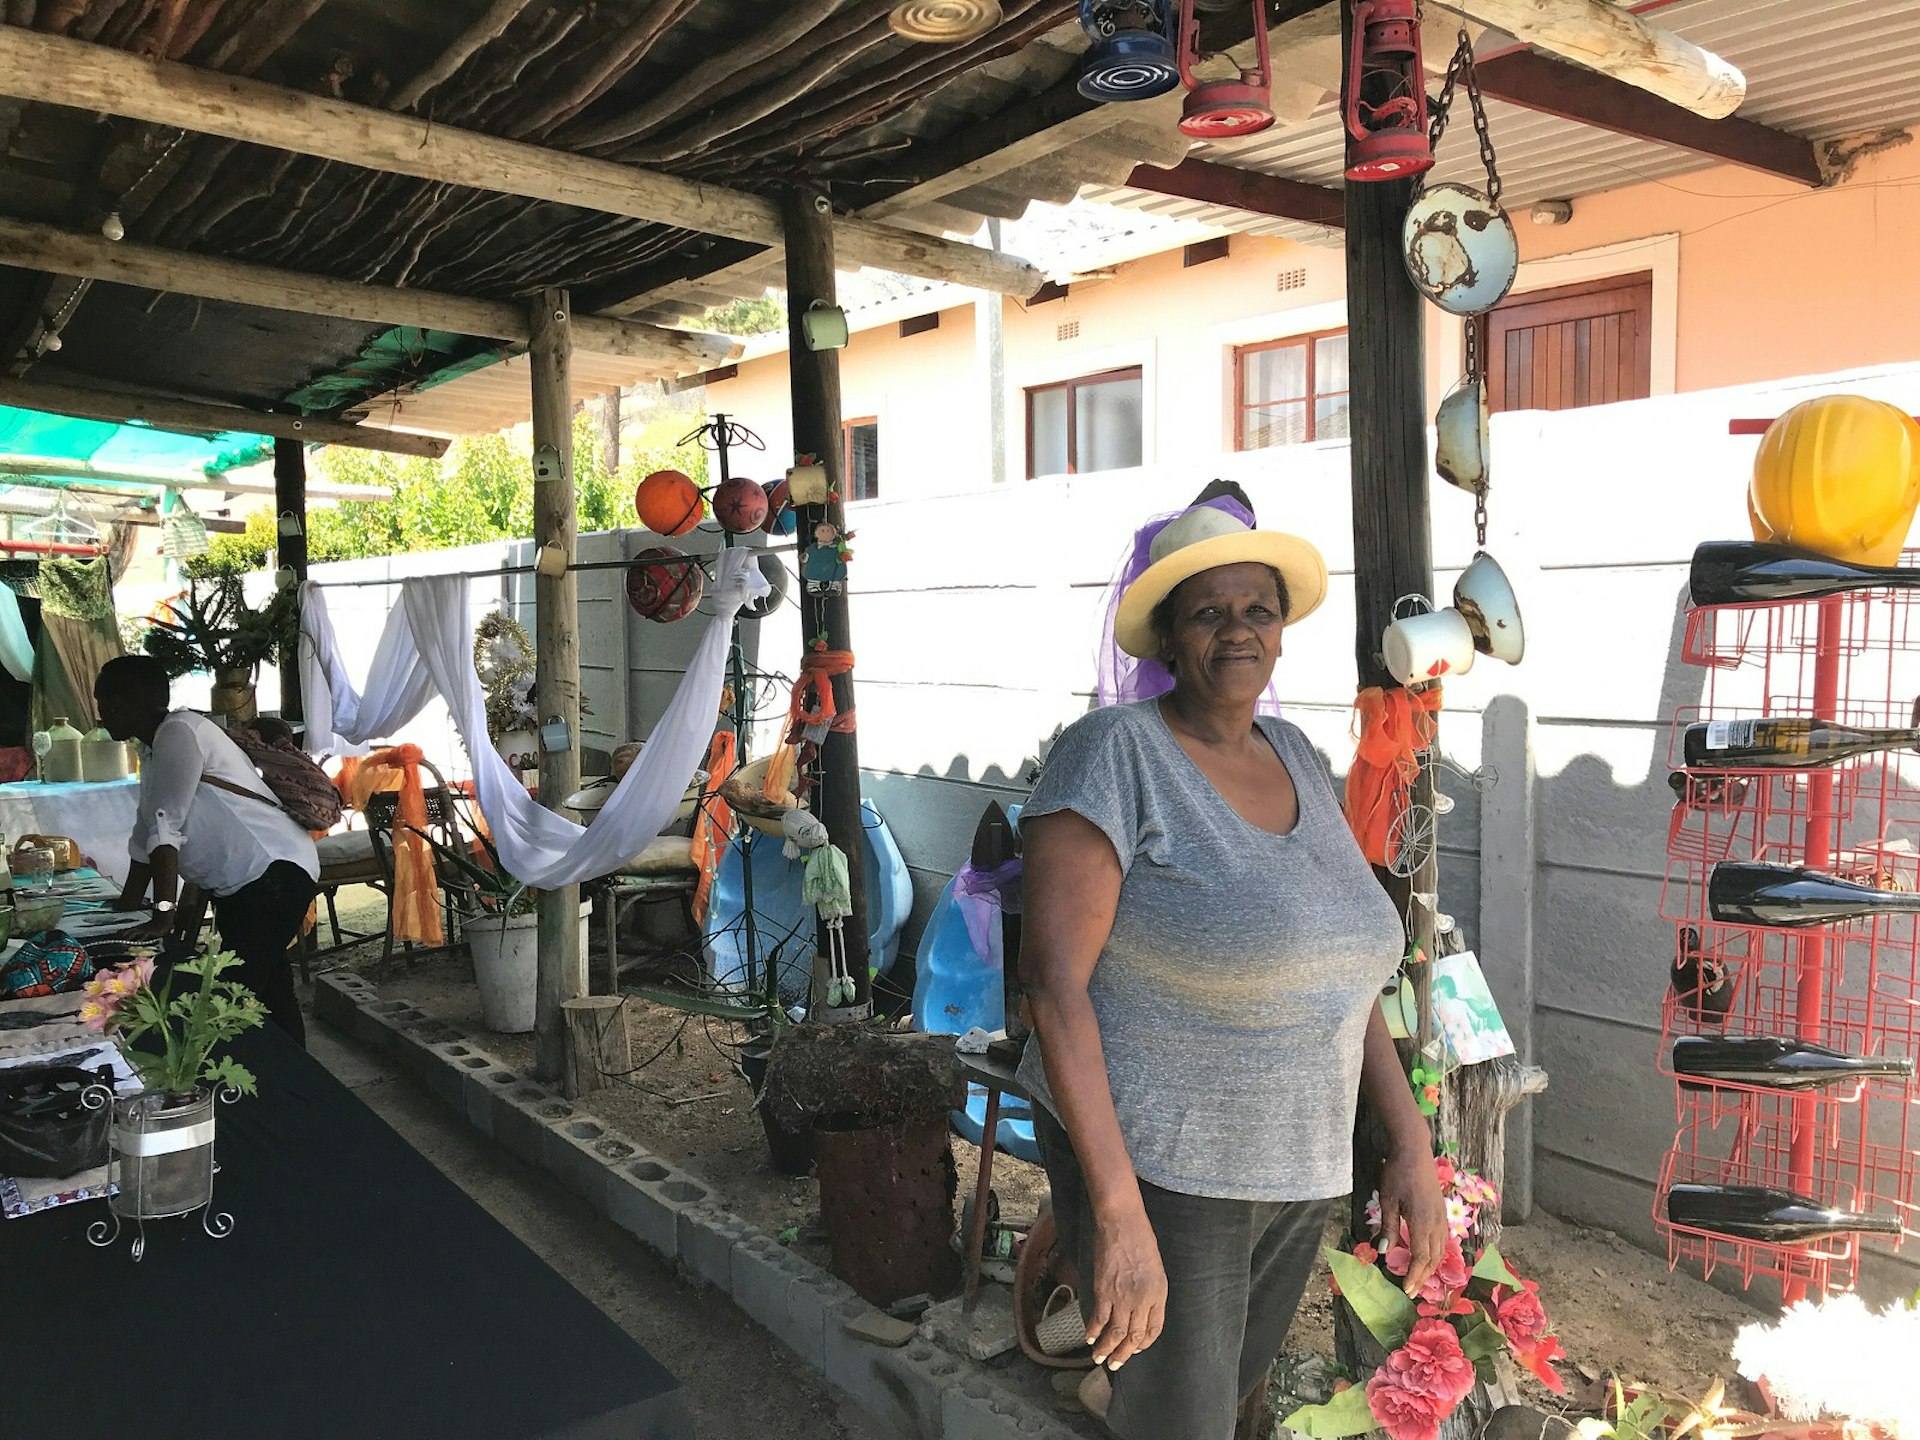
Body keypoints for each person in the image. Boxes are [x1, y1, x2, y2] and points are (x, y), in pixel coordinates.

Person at [1017, 500, 1449, 1440]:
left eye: (1257, 609)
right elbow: (1051, 990)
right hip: (1165, 1170)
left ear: (1283, 632)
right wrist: (1117, 1214)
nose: (1237, 631)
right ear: (1169, 635)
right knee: (1183, 1422)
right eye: (1208, 612)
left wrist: (1410, 1143)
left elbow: (1347, 971)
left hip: (1295, 1162)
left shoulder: (1293, 752)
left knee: (1222, 1403)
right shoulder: (1115, 754)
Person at [94, 655, 319, 1044]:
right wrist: (127, 904)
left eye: (111, 701)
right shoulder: (153, 747)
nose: (104, 712)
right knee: (269, 994)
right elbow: (145, 831)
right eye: (102, 703)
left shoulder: (179, 732)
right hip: (249, 885)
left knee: (229, 1001)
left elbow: (166, 830)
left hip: (272, 875)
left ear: (141, 700)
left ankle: (262, 1088)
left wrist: (164, 914)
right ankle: (303, 1084)